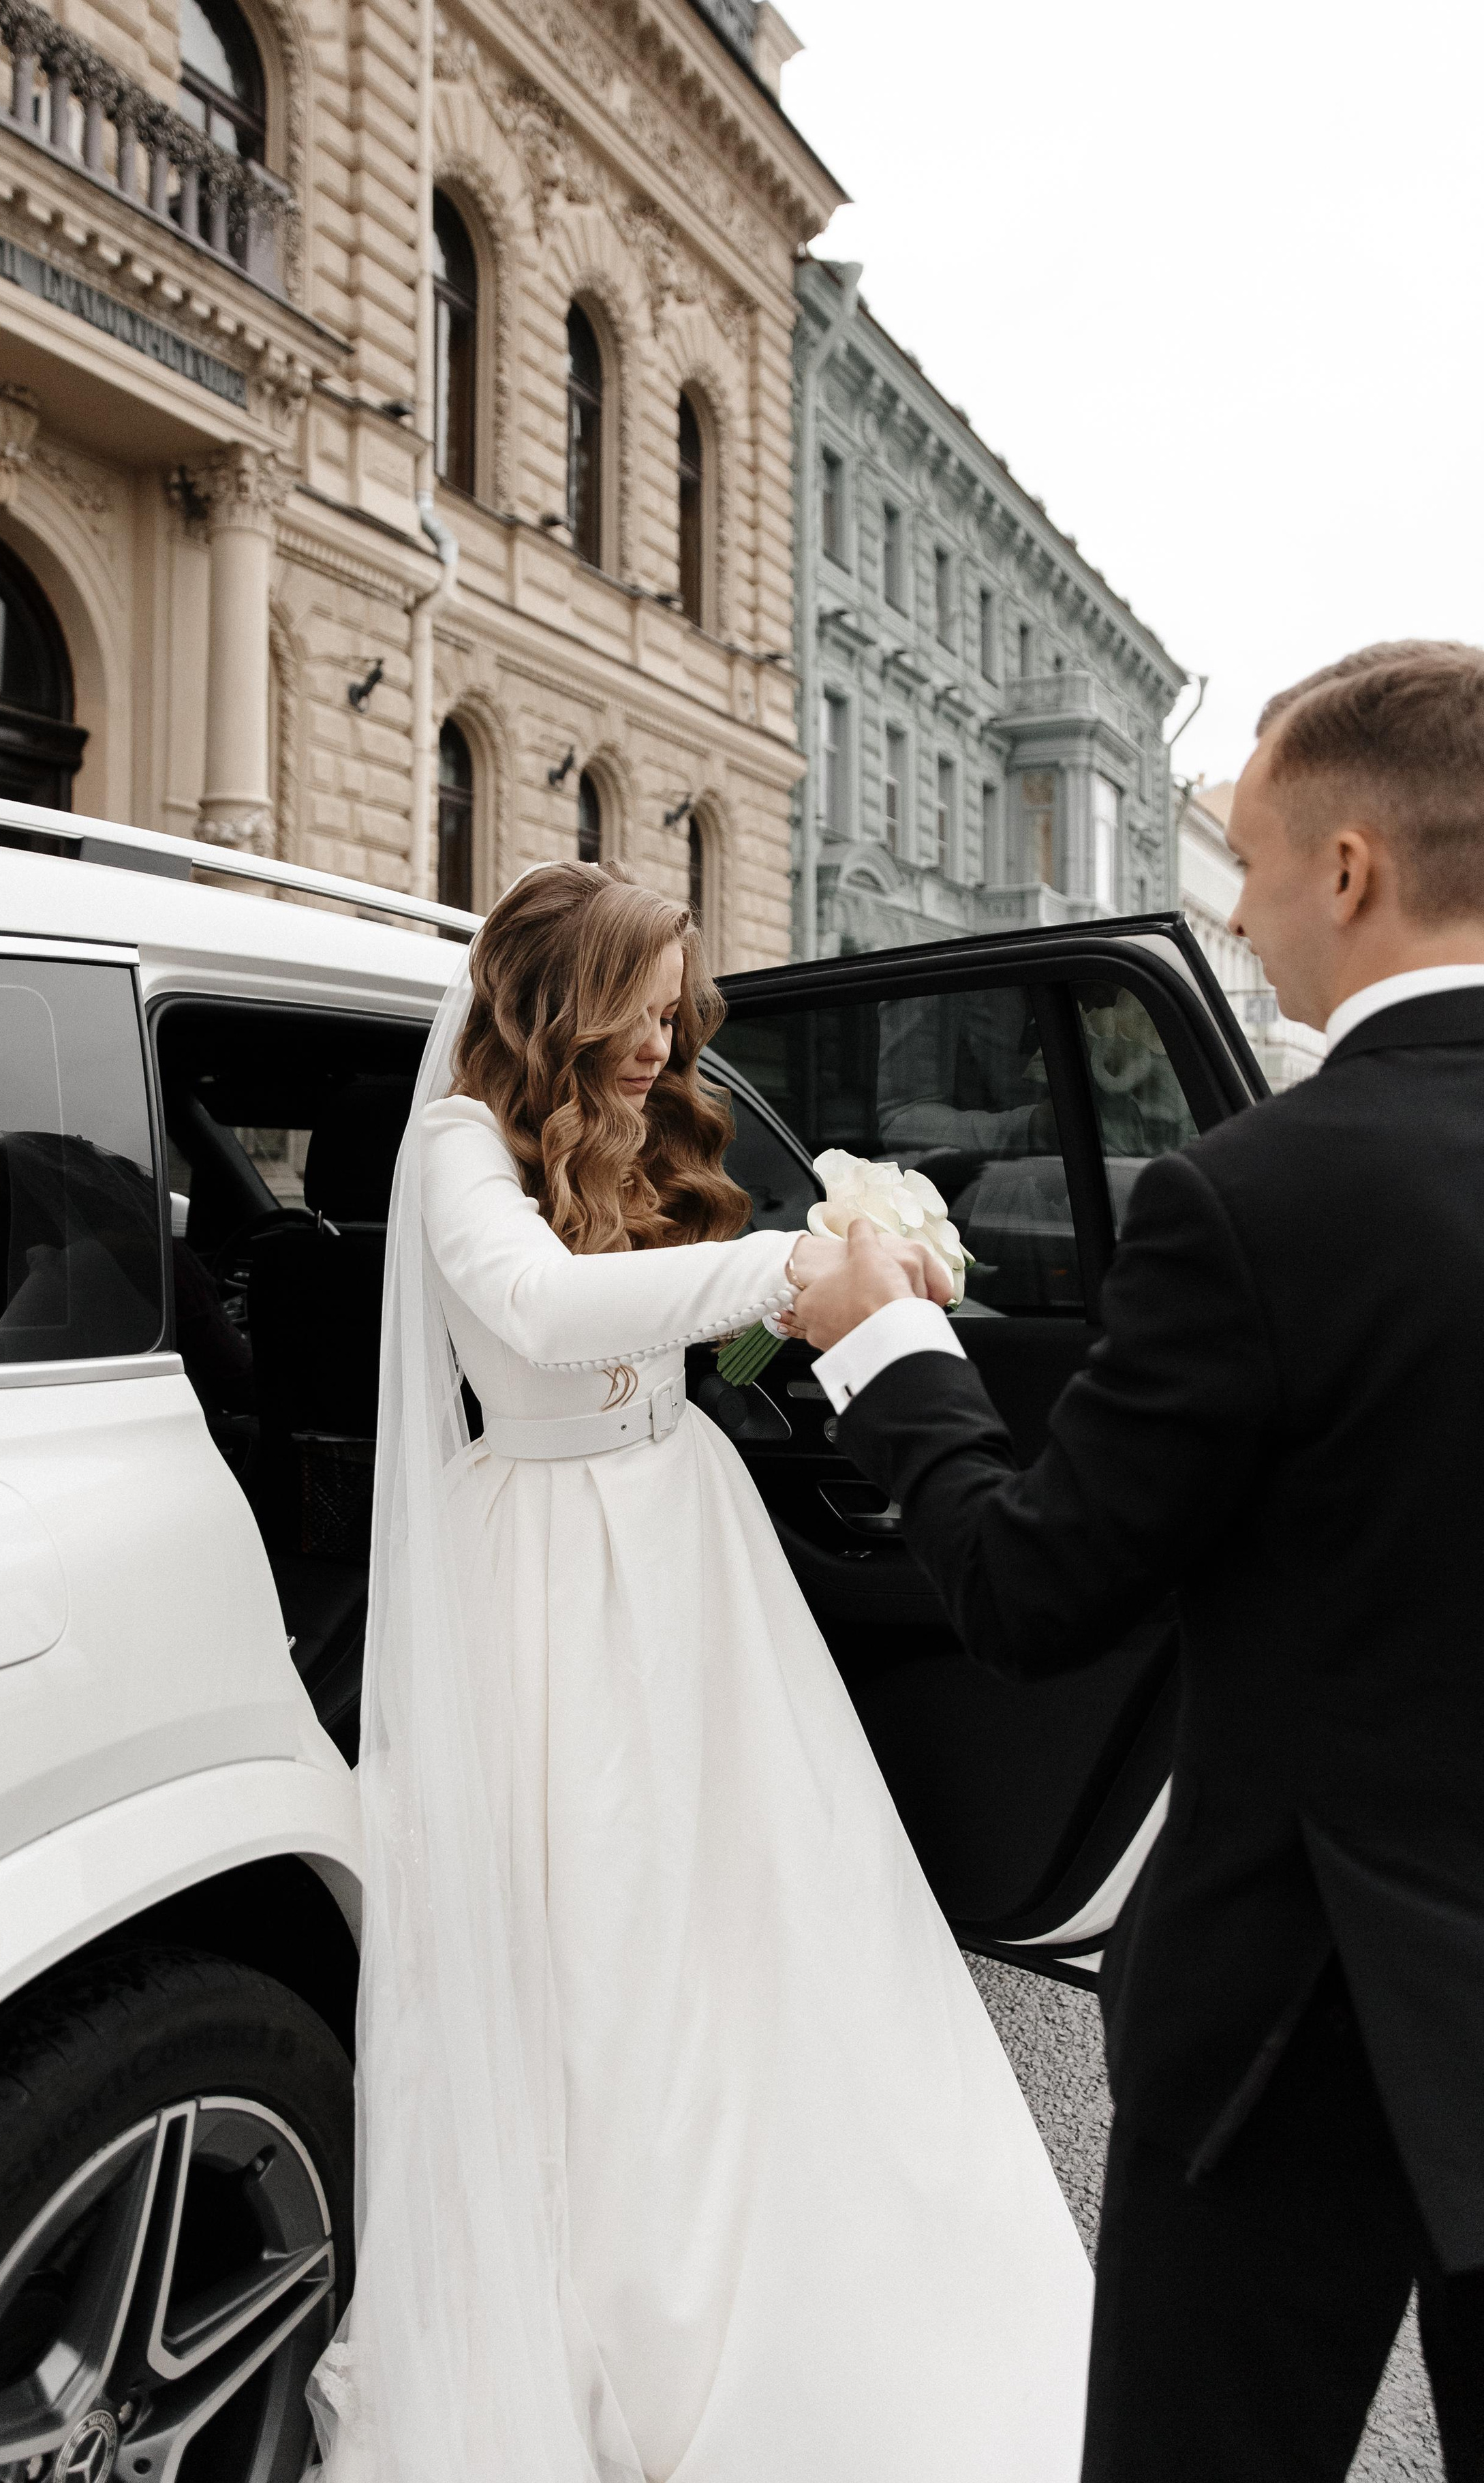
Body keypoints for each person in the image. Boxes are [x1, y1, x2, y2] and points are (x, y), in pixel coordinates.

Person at [788, 640, 1484, 2482]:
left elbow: (1033, 1591)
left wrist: (883, 1346)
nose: (1240, 914)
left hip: (1296, 2025)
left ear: (1348, 870)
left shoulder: (1260, 1195)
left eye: (1250, 863)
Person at [309, 861, 1092, 2482]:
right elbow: (533, 1307)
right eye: (643, 1003)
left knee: (748, 1904)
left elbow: (666, 1335)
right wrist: (792, 1275)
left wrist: (827, 1300)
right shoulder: (462, 1139)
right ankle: (632, 2284)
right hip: (551, 1564)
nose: (667, 1038)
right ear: (560, 990)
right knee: (595, 1925)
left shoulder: (625, 1131)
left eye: (678, 1007)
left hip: (687, 1539)